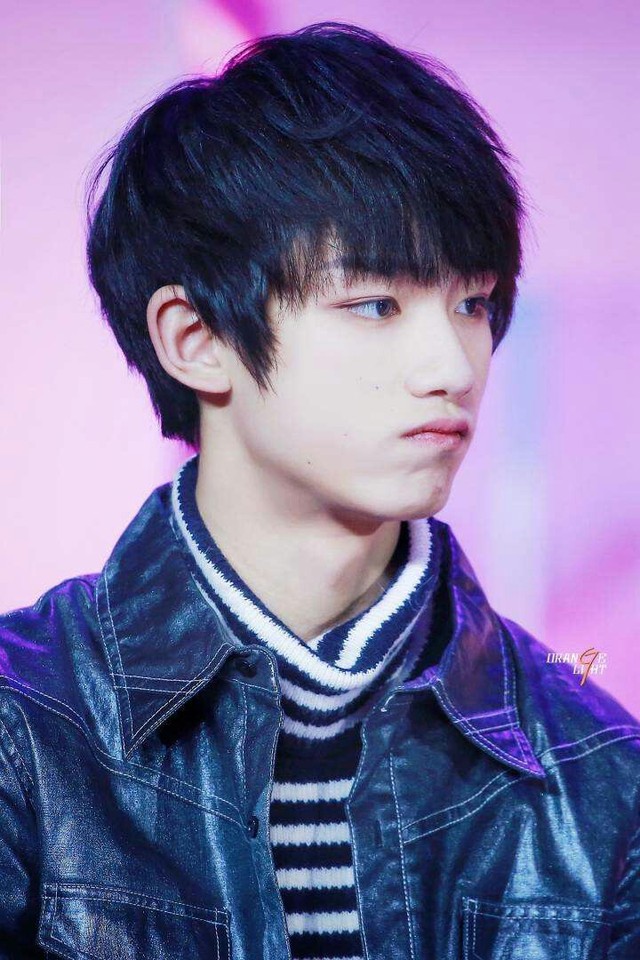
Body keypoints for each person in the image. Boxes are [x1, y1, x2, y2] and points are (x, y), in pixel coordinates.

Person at [0, 21, 638, 960]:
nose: (453, 366)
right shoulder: (25, 724)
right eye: (375, 305)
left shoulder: (597, 771)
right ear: (195, 340)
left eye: (472, 302)